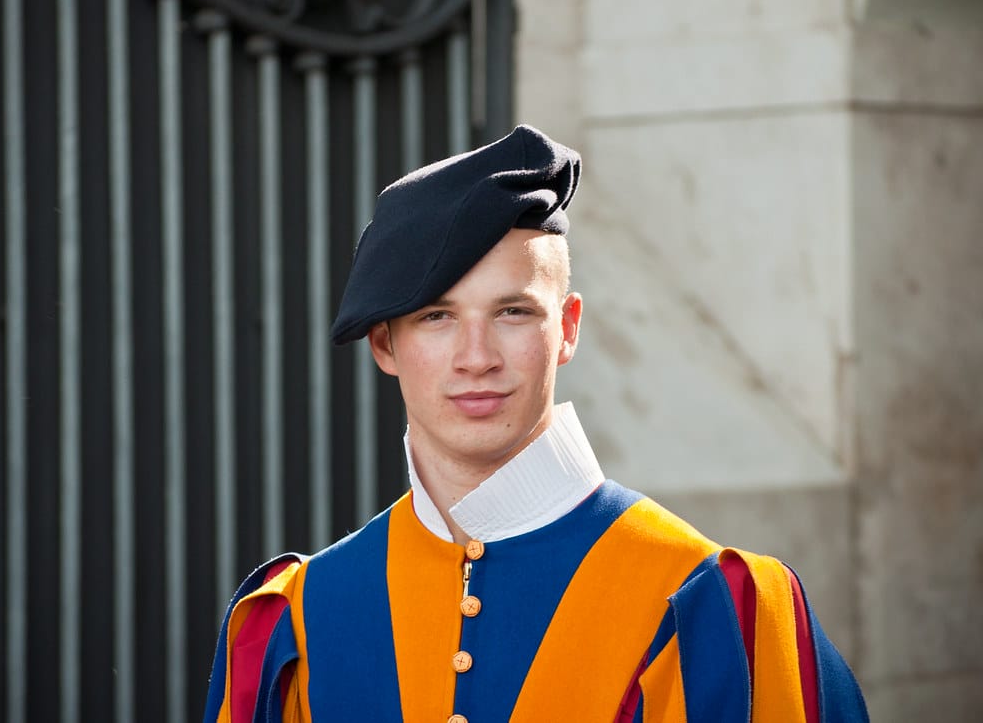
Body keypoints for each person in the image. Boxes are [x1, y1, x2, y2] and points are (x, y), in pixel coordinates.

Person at [203, 125, 868, 722]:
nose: (477, 359)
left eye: (513, 312)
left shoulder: (714, 610)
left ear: (568, 328)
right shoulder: (294, 622)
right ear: (384, 346)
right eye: (436, 317)